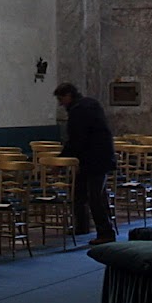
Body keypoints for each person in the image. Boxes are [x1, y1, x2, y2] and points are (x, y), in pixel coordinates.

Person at [54, 82, 117, 245]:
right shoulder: (89, 104)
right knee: (80, 193)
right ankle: (82, 226)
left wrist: (60, 161)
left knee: (96, 197)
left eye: (62, 99)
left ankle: (105, 232)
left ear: (69, 95)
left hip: (95, 159)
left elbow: (76, 140)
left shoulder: (79, 110)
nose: (61, 104)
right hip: (94, 157)